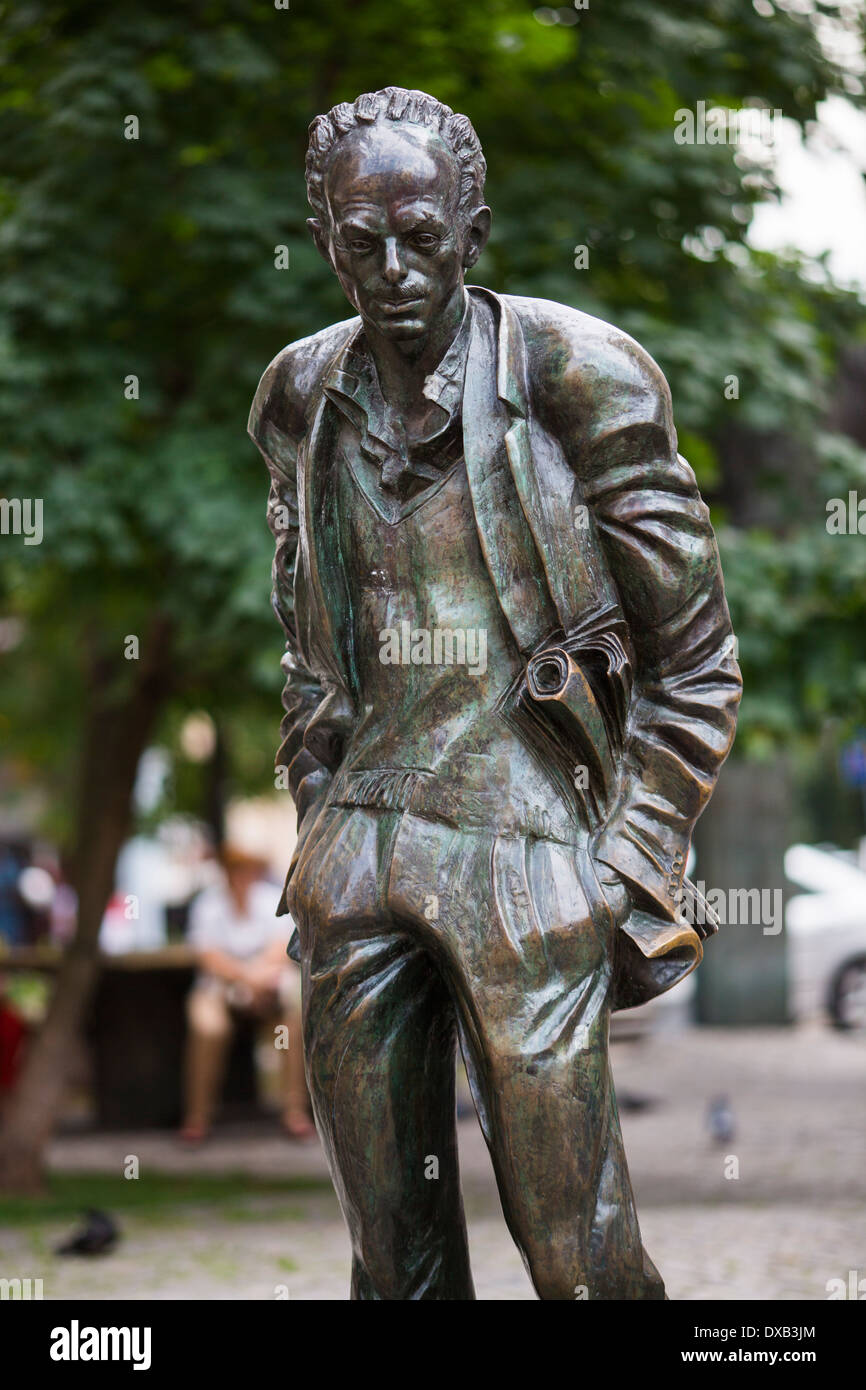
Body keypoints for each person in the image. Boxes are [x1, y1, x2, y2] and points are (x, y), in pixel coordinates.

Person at [248, 87, 741, 1299]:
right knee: (390, 1259)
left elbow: (695, 657)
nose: (394, 268)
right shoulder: (298, 397)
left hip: (529, 852)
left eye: (421, 233)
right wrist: (315, 809)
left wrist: (623, 861)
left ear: (472, 225)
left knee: (577, 1252)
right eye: (359, 243)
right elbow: (309, 640)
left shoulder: (577, 373)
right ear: (323, 235)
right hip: (356, 853)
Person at [180, 846, 313, 1143]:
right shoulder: (209, 904)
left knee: (291, 1024)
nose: (243, 875)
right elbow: (207, 955)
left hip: (266, 987)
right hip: (219, 987)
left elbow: (282, 947)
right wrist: (245, 976)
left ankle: (294, 1112)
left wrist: (256, 978)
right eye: (237, 869)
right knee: (207, 1029)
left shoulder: (269, 899)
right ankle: (197, 1117)